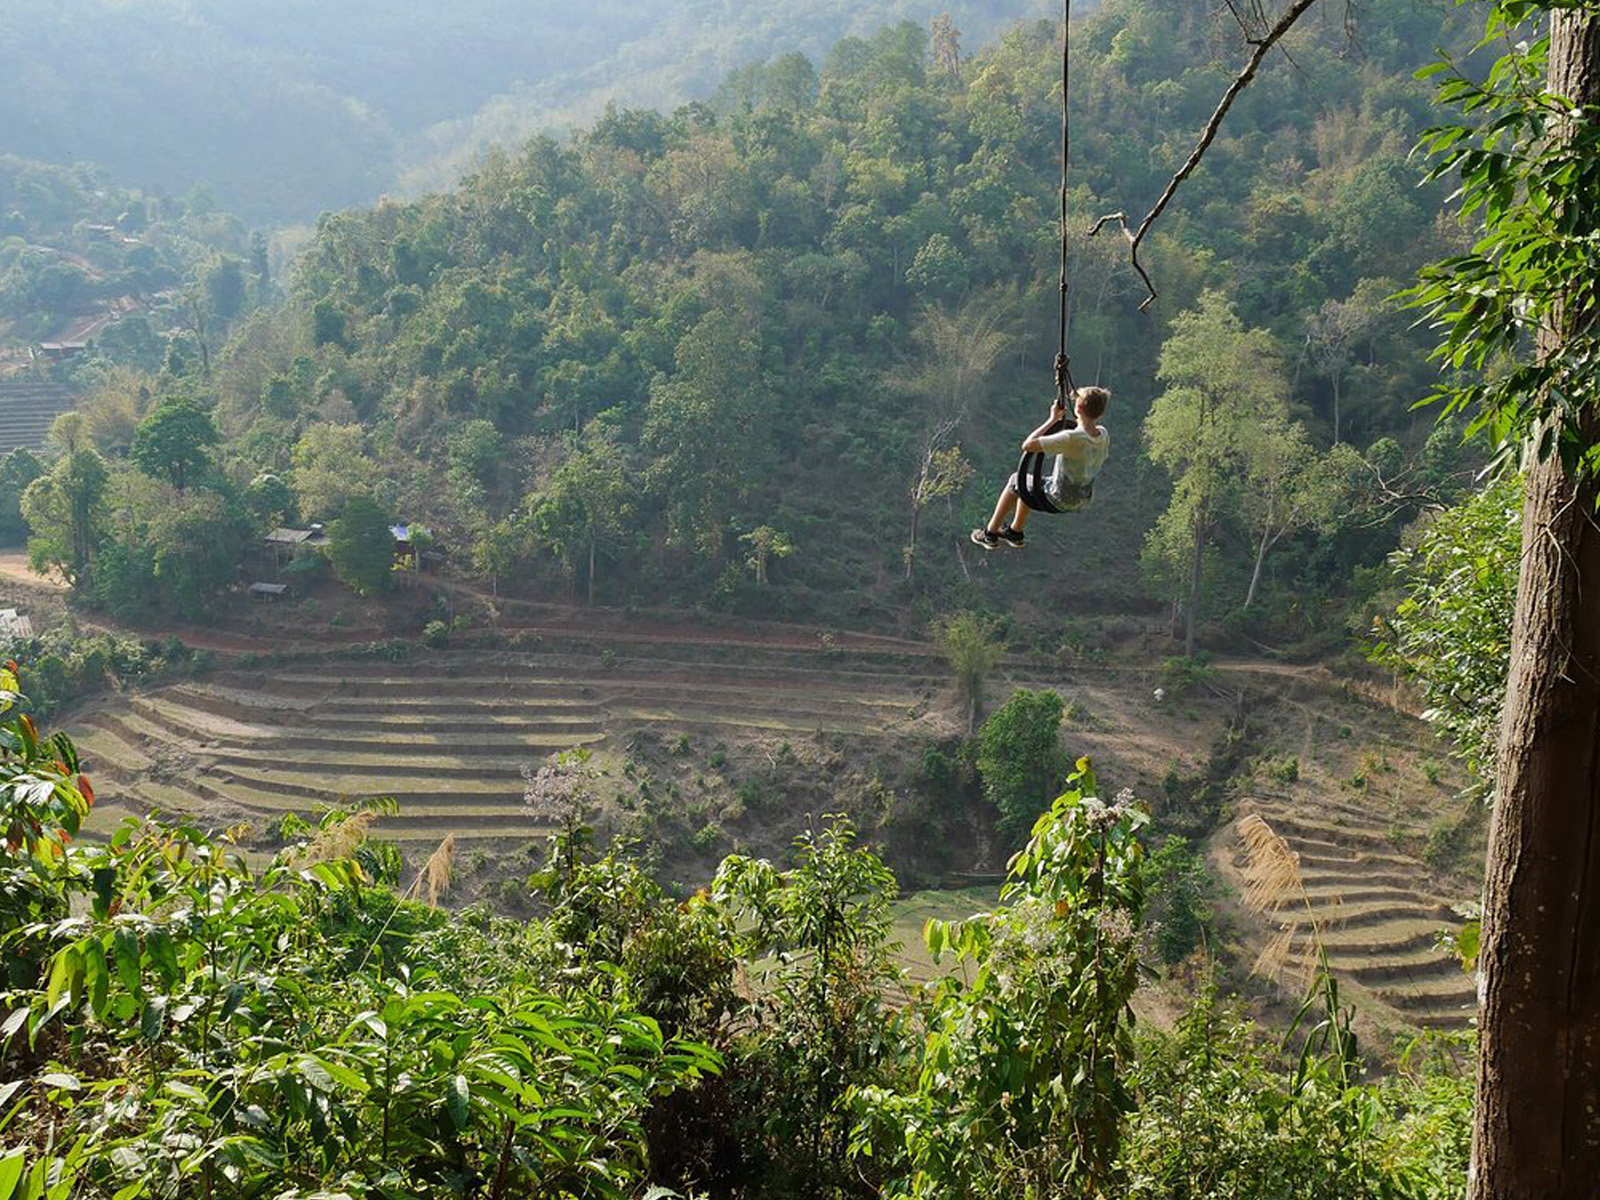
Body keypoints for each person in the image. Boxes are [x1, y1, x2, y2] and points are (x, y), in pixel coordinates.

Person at [971, 385, 1110, 550]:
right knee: (1029, 483)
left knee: (1016, 480)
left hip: (1058, 497)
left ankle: (990, 533)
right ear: (1100, 413)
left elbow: (1028, 445)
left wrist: (1052, 420)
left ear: (1078, 408)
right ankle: (1015, 531)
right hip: (1082, 499)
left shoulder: (1072, 438)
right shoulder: (1103, 434)